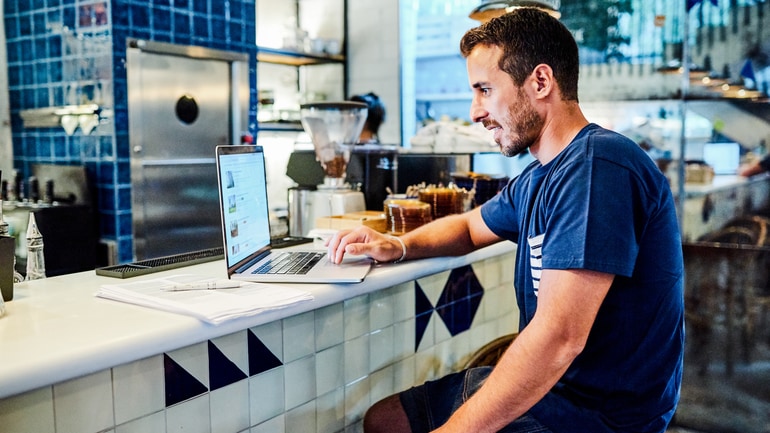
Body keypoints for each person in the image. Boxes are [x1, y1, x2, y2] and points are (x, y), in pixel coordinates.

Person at [327, 8, 684, 433]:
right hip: (555, 396)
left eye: (484, 90)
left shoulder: (597, 166)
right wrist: (398, 245)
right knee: (384, 421)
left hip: (598, 416)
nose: (475, 111)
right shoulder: (540, 176)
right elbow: (467, 227)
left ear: (540, 82)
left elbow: (559, 339)